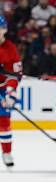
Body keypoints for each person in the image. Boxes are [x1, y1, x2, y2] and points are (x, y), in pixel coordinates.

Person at [0, 14, 22, 168]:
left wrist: (9, 93)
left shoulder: (10, 48)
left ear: (4, 30)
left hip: (2, 88)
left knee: (4, 122)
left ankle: (6, 152)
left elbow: (15, 75)